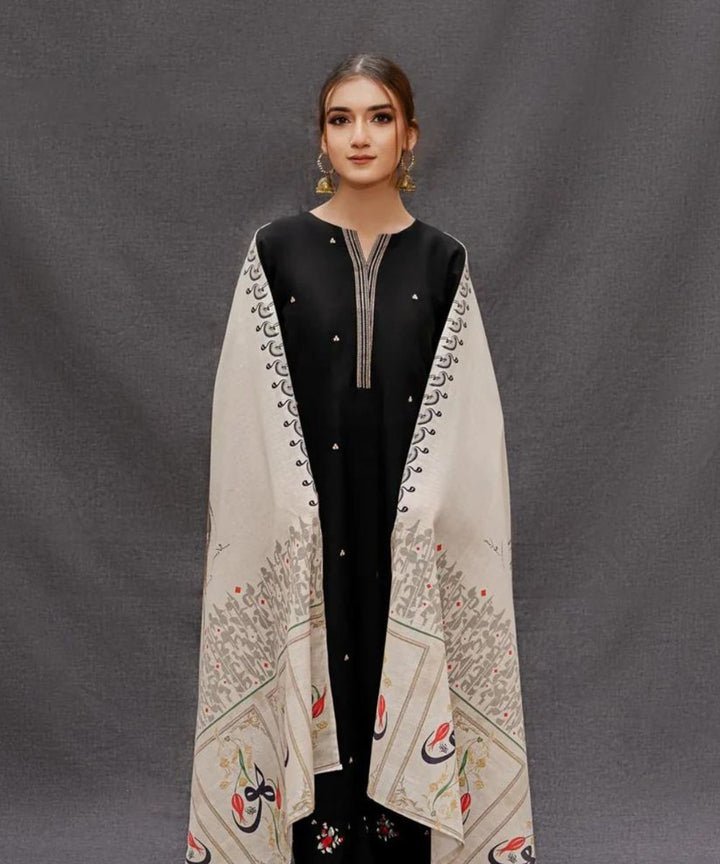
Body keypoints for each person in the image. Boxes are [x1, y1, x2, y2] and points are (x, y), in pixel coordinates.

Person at [184, 54, 537, 864]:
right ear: (321, 138)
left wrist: (426, 513)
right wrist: (287, 510)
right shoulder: (276, 254)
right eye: (340, 119)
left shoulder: (443, 263)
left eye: (380, 117)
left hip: (409, 531)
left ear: (411, 136)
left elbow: (472, 419)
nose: (360, 135)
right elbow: (243, 404)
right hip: (307, 526)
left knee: (401, 672)